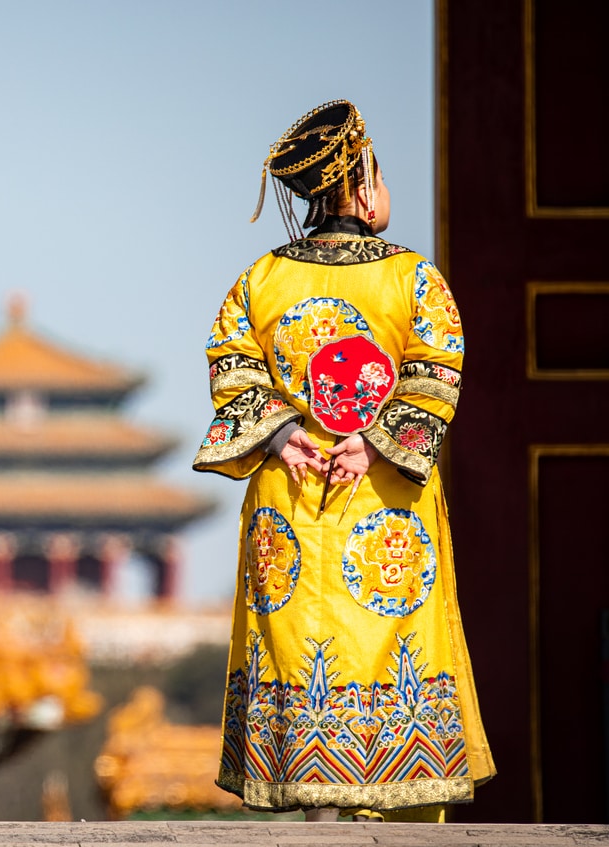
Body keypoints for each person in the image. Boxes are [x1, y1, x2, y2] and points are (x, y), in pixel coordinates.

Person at [192, 100, 495, 822]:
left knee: (298, 647)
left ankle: (312, 808)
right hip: (384, 498)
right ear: (359, 188)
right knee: (386, 638)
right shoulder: (413, 280)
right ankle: (388, 803)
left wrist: (278, 433)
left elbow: (232, 369)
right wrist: (378, 437)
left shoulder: (257, 281)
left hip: (288, 499)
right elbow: (435, 368)